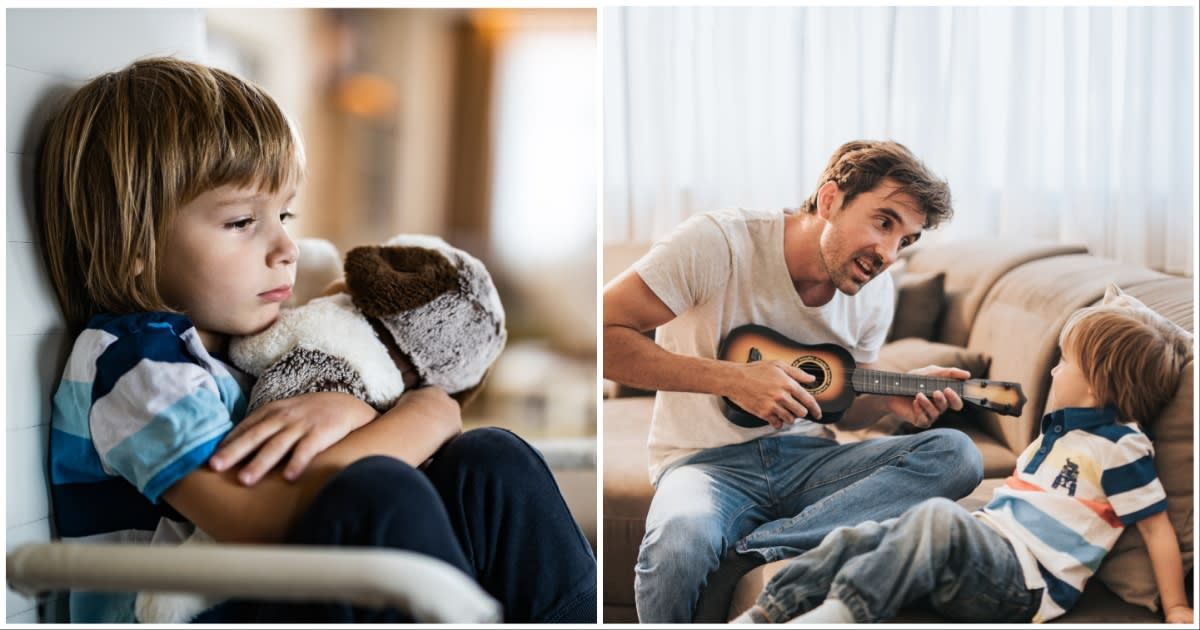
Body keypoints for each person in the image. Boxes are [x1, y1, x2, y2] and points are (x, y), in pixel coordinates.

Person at [39, 56, 595, 623]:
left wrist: (348, 407)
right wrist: (428, 414)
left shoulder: (241, 347)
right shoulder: (131, 359)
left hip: (277, 587)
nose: (288, 248)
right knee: (378, 493)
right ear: (136, 245)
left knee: (492, 459)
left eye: (285, 213)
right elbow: (257, 521)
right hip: (192, 609)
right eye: (241, 222)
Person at [603, 140, 984, 622]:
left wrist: (890, 403)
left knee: (955, 454)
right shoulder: (718, 242)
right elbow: (604, 333)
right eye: (884, 222)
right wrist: (733, 379)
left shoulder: (875, 291)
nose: (888, 253)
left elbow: (840, 401)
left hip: (812, 462)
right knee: (679, 541)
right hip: (704, 464)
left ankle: (753, 551)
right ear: (830, 200)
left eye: (906, 240)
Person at [731, 304, 1194, 624]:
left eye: (1066, 363)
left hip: (1023, 584)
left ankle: (845, 613)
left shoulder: (1121, 446)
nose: (1053, 371)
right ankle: (769, 611)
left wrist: (1176, 608)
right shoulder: (1058, 436)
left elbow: (1155, 528)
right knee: (860, 534)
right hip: (985, 555)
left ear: (1098, 385)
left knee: (937, 517)